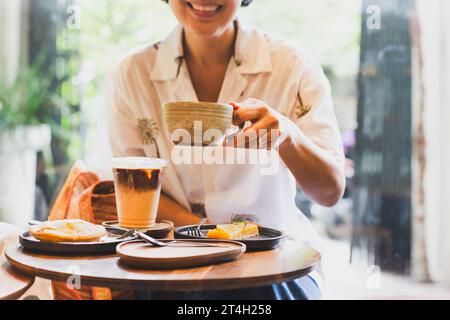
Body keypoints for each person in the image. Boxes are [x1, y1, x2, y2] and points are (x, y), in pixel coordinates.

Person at [107, 0, 345, 300]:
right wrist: (210, 237)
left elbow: (330, 192)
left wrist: (287, 135)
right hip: (169, 262)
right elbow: (130, 189)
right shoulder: (133, 74)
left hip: (273, 265)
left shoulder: (292, 66)